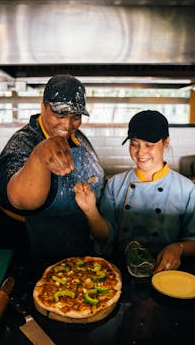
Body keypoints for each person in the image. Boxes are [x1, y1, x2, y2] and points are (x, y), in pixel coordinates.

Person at [0, 74, 105, 265]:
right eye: (60, 115)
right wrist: (39, 157)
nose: (67, 125)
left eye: (75, 116)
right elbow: (20, 199)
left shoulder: (79, 138)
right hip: (28, 250)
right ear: (43, 107)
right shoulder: (23, 141)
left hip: (75, 247)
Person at [74, 110, 195, 273]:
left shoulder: (187, 189)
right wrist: (91, 211)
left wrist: (179, 248)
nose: (140, 152)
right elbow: (106, 237)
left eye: (149, 145)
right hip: (120, 272)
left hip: (166, 273)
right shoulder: (115, 184)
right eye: (134, 143)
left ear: (166, 142)